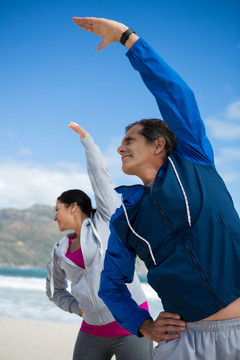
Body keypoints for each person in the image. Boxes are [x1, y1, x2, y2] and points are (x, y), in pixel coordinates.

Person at [72, 17, 240, 360]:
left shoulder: (193, 162)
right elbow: (111, 286)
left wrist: (128, 39)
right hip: (184, 342)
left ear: (159, 144)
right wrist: (143, 326)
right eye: (120, 143)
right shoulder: (126, 218)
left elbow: (175, 93)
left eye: (129, 140)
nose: (120, 148)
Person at [46, 122, 153, 360]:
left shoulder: (105, 220)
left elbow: (100, 178)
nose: (54, 216)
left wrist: (87, 142)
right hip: (91, 332)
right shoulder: (59, 250)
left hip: (131, 324)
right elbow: (55, 290)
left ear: (73, 207)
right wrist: (75, 307)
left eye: (58, 210)